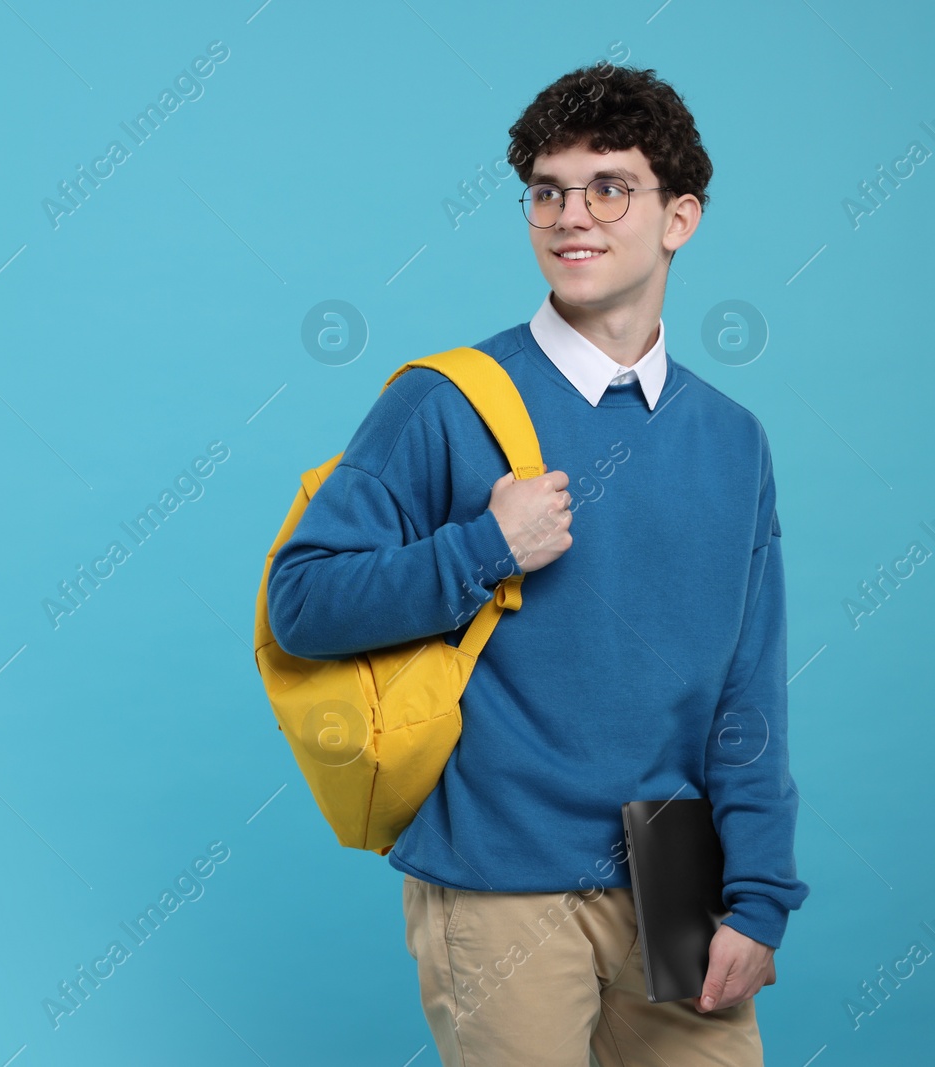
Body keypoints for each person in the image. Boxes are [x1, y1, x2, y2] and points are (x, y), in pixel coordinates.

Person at [266, 63, 807, 1066]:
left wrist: (761, 891)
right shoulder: (447, 404)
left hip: (675, 883)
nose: (572, 215)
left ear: (679, 218)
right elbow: (301, 599)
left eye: (608, 186)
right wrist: (482, 548)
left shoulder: (734, 441)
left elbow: (748, 686)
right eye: (548, 191)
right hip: (496, 887)